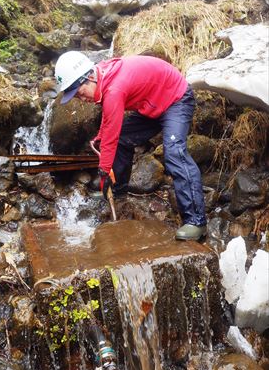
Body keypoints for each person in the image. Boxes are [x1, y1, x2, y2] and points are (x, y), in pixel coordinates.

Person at [55, 51, 207, 240]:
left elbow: (111, 130)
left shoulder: (114, 87)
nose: (82, 99)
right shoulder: (103, 78)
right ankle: (117, 193)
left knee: (174, 152)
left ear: (90, 77)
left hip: (176, 99)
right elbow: (110, 121)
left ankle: (196, 221)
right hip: (151, 105)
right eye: (77, 97)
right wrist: (100, 136)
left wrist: (104, 171)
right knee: (122, 137)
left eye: (80, 92)